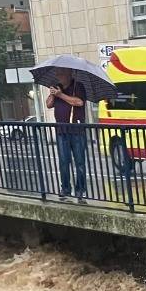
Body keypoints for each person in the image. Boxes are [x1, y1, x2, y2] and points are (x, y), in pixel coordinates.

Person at [45, 68, 88, 203]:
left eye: (62, 74)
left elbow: (79, 102)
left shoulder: (78, 86)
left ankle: (80, 190)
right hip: (61, 131)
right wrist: (53, 94)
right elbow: (48, 104)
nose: (59, 76)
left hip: (76, 130)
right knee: (64, 162)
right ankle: (65, 189)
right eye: (58, 74)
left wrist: (61, 95)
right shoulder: (56, 87)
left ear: (70, 74)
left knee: (79, 162)